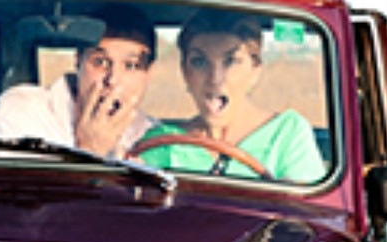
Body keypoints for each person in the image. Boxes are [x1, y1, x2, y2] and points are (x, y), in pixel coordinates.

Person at [138, 9, 325, 182]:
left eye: (231, 61)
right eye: (199, 62)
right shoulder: (163, 142)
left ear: (255, 70)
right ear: (185, 73)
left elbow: (307, 204)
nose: (215, 79)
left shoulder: (286, 134)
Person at [0, 3, 158, 159]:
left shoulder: (153, 136)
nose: (112, 80)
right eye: (100, 62)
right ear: (78, 61)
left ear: (149, 73)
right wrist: (89, 150)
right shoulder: (20, 112)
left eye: (131, 65)